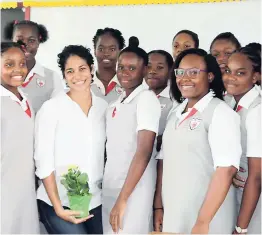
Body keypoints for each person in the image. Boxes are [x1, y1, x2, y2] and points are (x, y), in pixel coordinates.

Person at [157, 48, 242, 234]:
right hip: (175, 215)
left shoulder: (220, 113)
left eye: (194, 72)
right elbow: (165, 162)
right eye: (180, 72)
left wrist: (203, 221)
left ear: (210, 76)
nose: (185, 78)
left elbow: (226, 170)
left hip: (207, 220)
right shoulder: (176, 113)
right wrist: (158, 207)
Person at [34, 45, 107, 234]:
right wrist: (58, 207)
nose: (77, 76)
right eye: (70, 71)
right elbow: (43, 160)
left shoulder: (103, 107)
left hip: (95, 199)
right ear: (64, 76)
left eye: (82, 69)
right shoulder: (52, 108)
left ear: (92, 69)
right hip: (57, 201)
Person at [102, 36, 161, 234]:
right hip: (112, 185)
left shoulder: (146, 99)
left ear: (145, 70)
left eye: (132, 68)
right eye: (121, 67)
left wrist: (123, 199)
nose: (124, 73)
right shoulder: (117, 102)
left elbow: (144, 151)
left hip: (133, 190)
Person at [1, 41, 40, 234]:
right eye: (9, 64)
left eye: (22, 63)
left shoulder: (25, 99)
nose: (18, 70)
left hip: (25, 192)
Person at [223, 46, 261, 234]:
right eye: (228, 71)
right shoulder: (230, 102)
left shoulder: (257, 110)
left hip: (254, 199)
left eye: (240, 73)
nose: (231, 77)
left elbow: (257, 176)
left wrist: (241, 228)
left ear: (255, 77)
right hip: (237, 192)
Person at [143, 50, 178, 231]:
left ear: (171, 70)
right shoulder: (139, 96)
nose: (153, 71)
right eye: (149, 66)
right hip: (140, 171)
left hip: (164, 172)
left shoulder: (176, 101)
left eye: (160, 67)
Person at [4, 20, 64, 112]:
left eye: (31, 41)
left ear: (38, 42)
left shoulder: (52, 78)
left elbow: (59, 112)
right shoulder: (3, 75)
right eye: (20, 40)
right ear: (12, 40)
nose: (25, 45)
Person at [91, 27, 125, 103]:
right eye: (101, 49)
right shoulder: (84, 84)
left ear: (120, 52)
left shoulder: (128, 85)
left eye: (112, 49)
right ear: (94, 51)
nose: (106, 53)